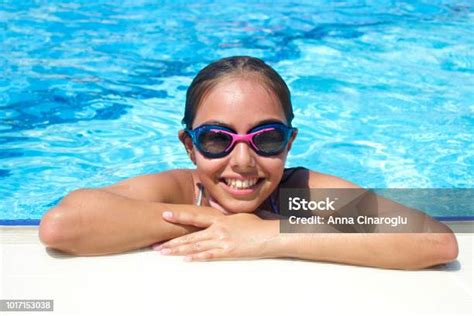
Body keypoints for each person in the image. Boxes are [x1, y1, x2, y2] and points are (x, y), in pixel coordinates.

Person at [39, 56, 458, 269]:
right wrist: (215, 221)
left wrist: (266, 234)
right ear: (189, 145)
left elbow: (433, 241)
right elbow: (62, 225)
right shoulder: (181, 191)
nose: (242, 161)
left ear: (289, 143)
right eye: (218, 139)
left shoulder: (299, 196)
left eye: (267, 138)